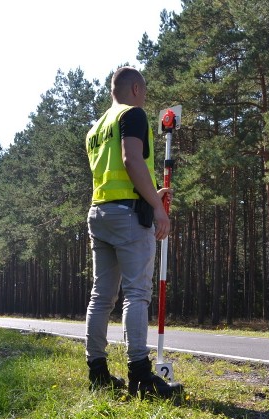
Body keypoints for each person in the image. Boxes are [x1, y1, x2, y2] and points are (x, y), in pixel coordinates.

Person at [83, 66, 184, 399]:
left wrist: (153, 192)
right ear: (137, 89)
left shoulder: (97, 128)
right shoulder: (134, 114)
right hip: (128, 216)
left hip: (100, 212)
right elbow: (131, 160)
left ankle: (97, 372)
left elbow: (116, 171)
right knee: (137, 294)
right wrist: (156, 207)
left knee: (102, 295)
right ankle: (140, 374)